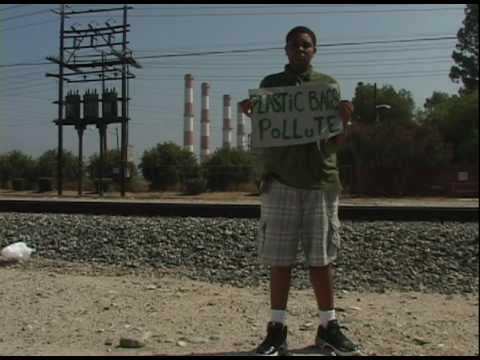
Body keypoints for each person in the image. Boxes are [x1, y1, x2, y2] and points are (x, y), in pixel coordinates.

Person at [240, 26, 360, 356]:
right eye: (295, 45)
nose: (301, 50)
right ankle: (277, 330)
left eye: (306, 45)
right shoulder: (270, 86)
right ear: (286, 50)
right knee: (280, 259)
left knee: (321, 259)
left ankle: (328, 326)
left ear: (315, 49)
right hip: (279, 181)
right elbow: (267, 135)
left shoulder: (328, 87)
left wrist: (344, 122)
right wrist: (253, 114)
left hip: (321, 182)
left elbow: (334, 143)